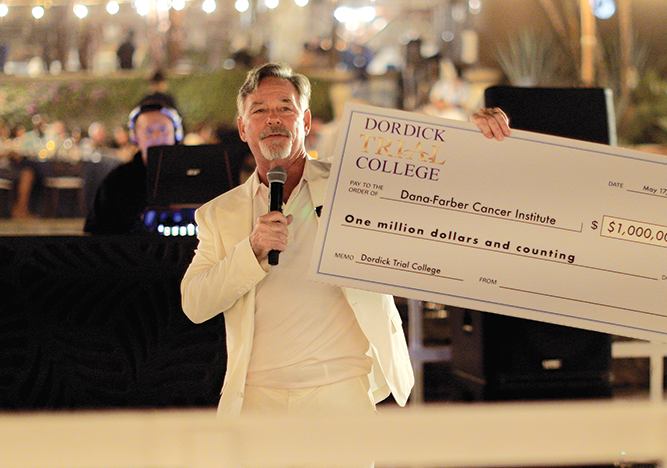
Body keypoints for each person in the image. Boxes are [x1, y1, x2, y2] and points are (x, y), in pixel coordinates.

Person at [179, 62, 511, 419]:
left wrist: (477, 142)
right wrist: (252, 249)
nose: (273, 119)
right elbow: (195, 303)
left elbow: (439, 186)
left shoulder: (355, 181)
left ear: (306, 122)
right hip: (256, 399)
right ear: (243, 127)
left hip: (342, 390)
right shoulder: (219, 214)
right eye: (259, 110)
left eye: (285, 108)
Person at [84, 101, 184, 234]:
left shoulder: (193, 175)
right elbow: (96, 230)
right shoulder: (118, 181)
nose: (157, 137)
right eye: (149, 131)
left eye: (163, 130)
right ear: (135, 137)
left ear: (176, 134)